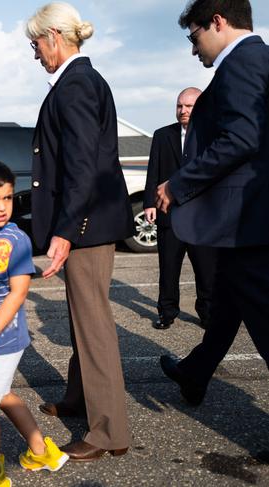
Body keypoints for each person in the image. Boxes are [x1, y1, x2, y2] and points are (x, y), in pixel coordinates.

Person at [26, 2, 133, 461]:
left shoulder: (75, 85)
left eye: (35, 44)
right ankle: (79, 398)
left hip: (85, 227)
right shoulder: (80, 81)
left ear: (54, 37)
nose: (35, 55)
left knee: (93, 326)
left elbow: (83, 167)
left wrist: (66, 230)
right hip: (86, 224)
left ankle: (108, 431)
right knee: (78, 317)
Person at [156, 0, 269, 406]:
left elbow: (241, 139)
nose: (193, 48)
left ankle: (195, 370)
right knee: (226, 299)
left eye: (194, 36)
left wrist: (179, 183)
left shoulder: (241, 63)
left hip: (250, 222)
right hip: (247, 221)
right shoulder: (261, 58)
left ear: (217, 22)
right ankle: (195, 371)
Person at [0, 158, 68, 487]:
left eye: (6, 197)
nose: (2, 206)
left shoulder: (15, 240)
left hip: (2, 337)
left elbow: (18, 293)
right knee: (2, 394)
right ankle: (41, 451)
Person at [143, 87, 217, 330]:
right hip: (169, 214)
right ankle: (167, 313)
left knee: (206, 271)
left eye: (189, 106)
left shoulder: (213, 135)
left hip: (202, 218)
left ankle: (207, 314)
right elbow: (153, 171)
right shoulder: (162, 135)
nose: (183, 111)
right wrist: (149, 203)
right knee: (168, 269)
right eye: (179, 106)